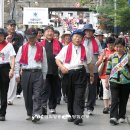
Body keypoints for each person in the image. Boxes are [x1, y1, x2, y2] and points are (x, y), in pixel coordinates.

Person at [55, 29, 94, 125]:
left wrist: (92, 75)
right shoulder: (65, 48)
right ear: (72, 37)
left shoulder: (86, 49)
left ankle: (78, 116)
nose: (78, 39)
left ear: (82, 39)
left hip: (80, 73)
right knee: (70, 95)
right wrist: (62, 67)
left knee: (79, 95)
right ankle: (72, 114)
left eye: (80, 37)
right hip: (68, 74)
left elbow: (89, 63)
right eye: (76, 36)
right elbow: (57, 60)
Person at [15, 28, 48, 123]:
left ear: (36, 37)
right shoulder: (22, 48)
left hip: (38, 73)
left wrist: (44, 76)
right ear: (27, 38)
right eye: (29, 38)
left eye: (33, 38)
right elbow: (17, 62)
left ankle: (36, 113)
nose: (31, 40)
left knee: (37, 94)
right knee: (27, 95)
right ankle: (30, 112)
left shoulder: (42, 48)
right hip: (26, 73)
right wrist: (17, 74)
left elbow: (45, 63)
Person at [106, 38, 130, 125]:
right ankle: (113, 117)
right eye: (117, 47)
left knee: (124, 100)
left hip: (126, 82)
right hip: (114, 81)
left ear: (124, 47)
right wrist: (106, 81)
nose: (118, 49)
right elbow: (108, 69)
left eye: (120, 47)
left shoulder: (128, 57)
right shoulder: (112, 56)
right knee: (114, 99)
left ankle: (121, 116)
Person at [40, 26, 62, 114]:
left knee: (54, 89)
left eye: (51, 31)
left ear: (54, 33)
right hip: (44, 70)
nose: (49, 33)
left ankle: (52, 106)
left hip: (55, 70)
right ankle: (43, 106)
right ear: (44, 33)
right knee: (44, 89)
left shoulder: (59, 44)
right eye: (47, 31)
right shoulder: (40, 44)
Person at [82, 24, 103, 115]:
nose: (88, 32)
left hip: (93, 69)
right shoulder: (80, 40)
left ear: (92, 32)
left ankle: (90, 107)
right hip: (82, 68)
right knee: (81, 88)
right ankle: (81, 106)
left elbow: (102, 53)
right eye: (86, 31)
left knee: (92, 89)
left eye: (90, 31)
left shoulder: (97, 41)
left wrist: (100, 60)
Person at [6, 19, 24, 105]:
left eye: (14, 25)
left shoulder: (19, 36)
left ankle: (10, 98)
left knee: (13, 79)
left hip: (15, 58)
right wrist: (7, 41)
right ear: (7, 26)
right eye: (11, 25)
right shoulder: (3, 35)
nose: (12, 27)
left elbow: (20, 48)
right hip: (4, 59)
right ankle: (4, 96)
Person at [96, 37, 116, 114]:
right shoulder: (104, 51)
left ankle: (111, 104)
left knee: (112, 90)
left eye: (112, 44)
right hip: (104, 74)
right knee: (106, 89)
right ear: (107, 44)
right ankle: (106, 107)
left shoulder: (116, 51)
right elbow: (98, 63)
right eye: (109, 44)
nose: (110, 46)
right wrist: (102, 60)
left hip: (114, 74)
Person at [0, 28, 15, 121]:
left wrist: (12, 69)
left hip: (4, 68)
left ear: (4, 35)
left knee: (3, 92)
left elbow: (12, 58)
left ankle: (2, 113)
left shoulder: (9, 45)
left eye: (1, 35)